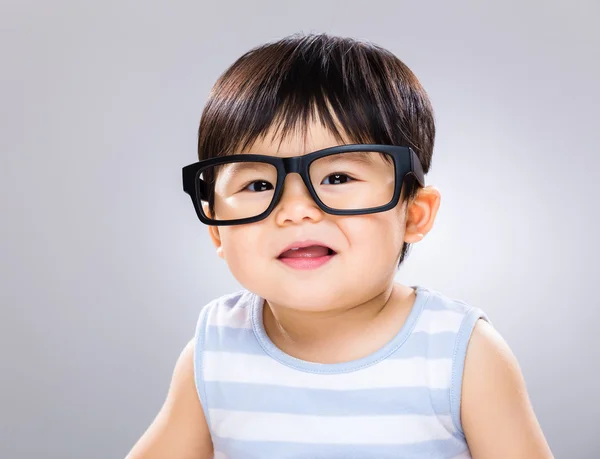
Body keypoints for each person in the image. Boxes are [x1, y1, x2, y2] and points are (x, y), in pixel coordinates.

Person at [127, 33, 553, 459]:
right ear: (218, 231)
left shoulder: (462, 354)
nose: (296, 210)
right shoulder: (215, 350)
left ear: (414, 213)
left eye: (337, 178)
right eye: (258, 184)